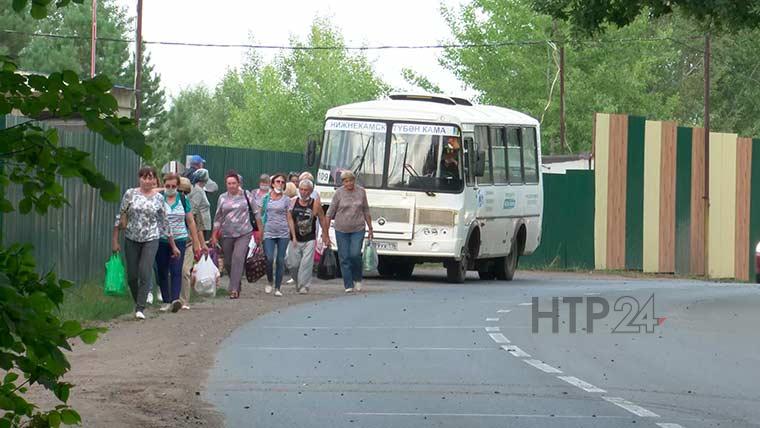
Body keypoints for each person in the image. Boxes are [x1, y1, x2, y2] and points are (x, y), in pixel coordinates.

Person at [112, 166, 176, 320]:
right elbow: (120, 216)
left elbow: (164, 222)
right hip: (131, 237)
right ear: (139, 178)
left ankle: (140, 307)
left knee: (145, 271)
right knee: (132, 275)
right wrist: (115, 240)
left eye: (151, 178)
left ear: (155, 180)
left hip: (151, 238)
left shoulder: (159, 198)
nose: (148, 181)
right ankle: (137, 301)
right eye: (144, 177)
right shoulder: (130, 194)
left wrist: (172, 244)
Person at [210, 171, 263, 299]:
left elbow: (256, 213)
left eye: (234, 183)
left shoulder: (246, 195)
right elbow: (218, 217)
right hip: (227, 234)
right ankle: (236, 283)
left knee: (238, 258)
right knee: (228, 262)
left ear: (238, 183)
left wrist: (260, 231)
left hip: (244, 232)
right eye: (229, 183)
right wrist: (214, 235)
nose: (231, 186)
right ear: (226, 184)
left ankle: (233, 289)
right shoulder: (222, 198)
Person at [155, 173, 203, 313]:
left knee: (177, 270)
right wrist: (160, 190)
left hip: (180, 238)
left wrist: (195, 242)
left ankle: (175, 300)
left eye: (173, 186)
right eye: (167, 186)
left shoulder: (183, 199)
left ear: (178, 186)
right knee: (162, 270)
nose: (170, 188)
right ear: (163, 185)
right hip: (162, 240)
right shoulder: (159, 199)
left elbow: (190, 221)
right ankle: (166, 300)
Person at [324, 170, 373, 293]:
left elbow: (366, 210)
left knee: (355, 254)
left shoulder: (361, 192)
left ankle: (357, 278)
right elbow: (329, 213)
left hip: (358, 228)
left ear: (354, 180)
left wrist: (370, 227)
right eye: (346, 181)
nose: (349, 183)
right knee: (344, 256)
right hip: (341, 229)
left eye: (350, 180)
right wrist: (325, 233)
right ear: (343, 182)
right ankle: (348, 284)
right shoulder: (338, 193)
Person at [287, 179, 328, 294]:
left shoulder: (315, 203)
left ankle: (304, 286)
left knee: (306, 263)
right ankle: (297, 281)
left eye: (306, 190)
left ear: (311, 191)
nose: (304, 192)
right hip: (294, 238)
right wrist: (293, 236)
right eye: (302, 190)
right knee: (293, 264)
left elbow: (322, 218)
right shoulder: (292, 202)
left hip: (309, 238)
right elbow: (289, 219)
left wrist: (325, 234)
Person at [179, 176, 208, 310]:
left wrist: (202, 245)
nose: (182, 194)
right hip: (172, 242)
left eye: (185, 191)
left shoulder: (192, 207)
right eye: (180, 190)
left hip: (188, 243)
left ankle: (184, 300)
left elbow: (199, 228)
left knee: (185, 271)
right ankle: (170, 297)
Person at [260, 173, 291, 296]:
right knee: (269, 258)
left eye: (282, 182)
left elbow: (289, 217)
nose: (280, 184)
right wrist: (260, 233)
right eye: (278, 181)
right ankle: (269, 280)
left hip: (283, 232)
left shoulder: (287, 199)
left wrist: (292, 234)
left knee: (280, 260)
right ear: (272, 184)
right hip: (269, 232)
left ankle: (278, 288)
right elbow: (262, 216)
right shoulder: (266, 198)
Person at [189, 168, 213, 241]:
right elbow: (194, 209)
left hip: (202, 226)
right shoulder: (198, 191)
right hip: (199, 227)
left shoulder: (200, 189)